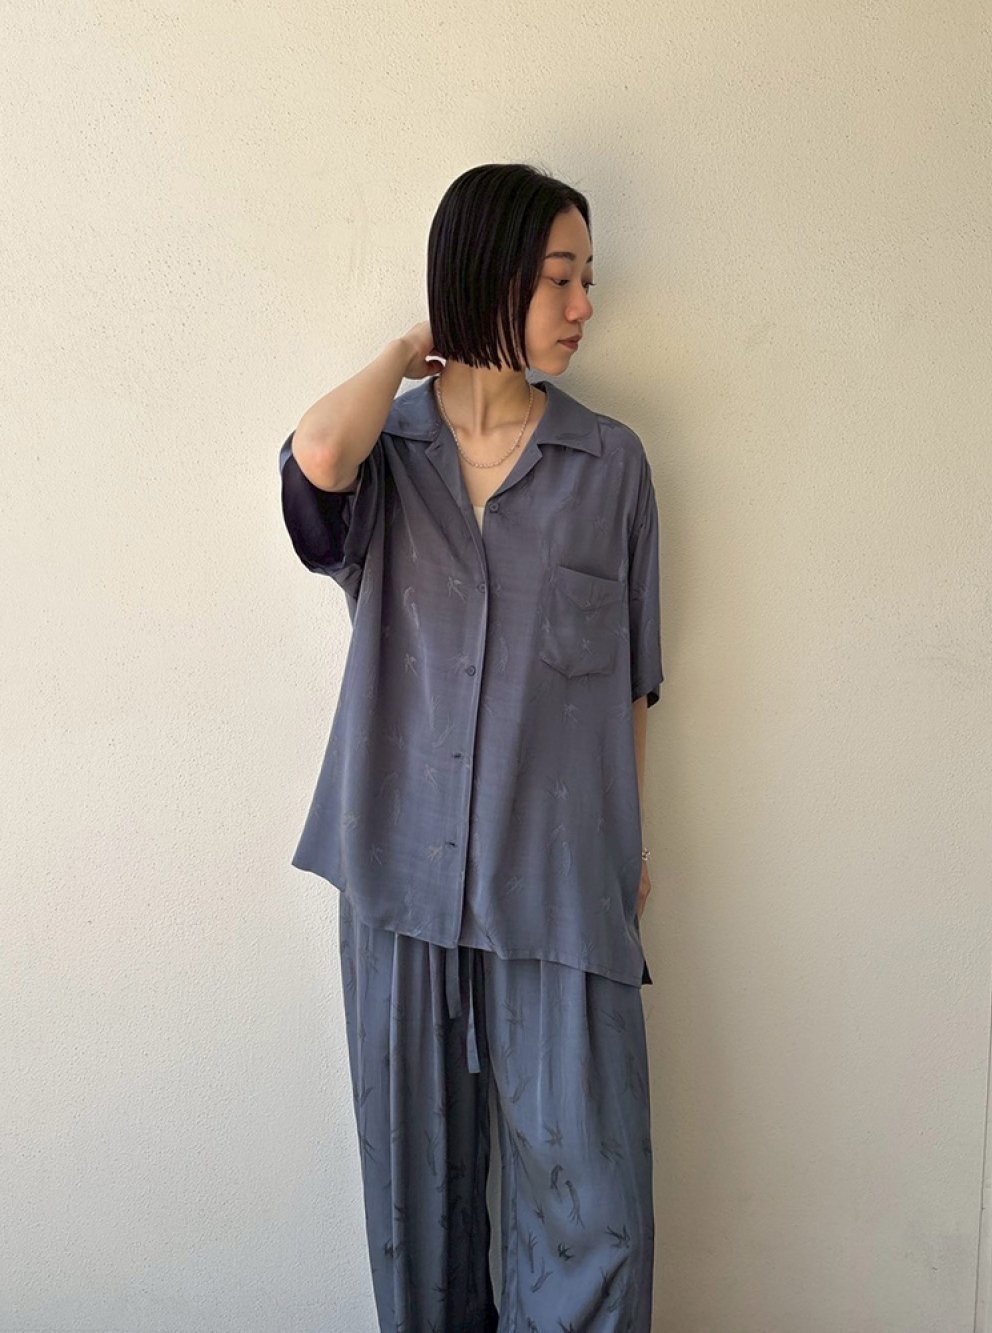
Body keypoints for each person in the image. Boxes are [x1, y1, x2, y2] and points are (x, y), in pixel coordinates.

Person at [278, 162, 664, 1331]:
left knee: (595, 1212)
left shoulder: (611, 467)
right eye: (560, 278)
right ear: (489, 277)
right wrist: (410, 347)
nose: (584, 305)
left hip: (558, 883)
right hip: (398, 877)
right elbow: (315, 461)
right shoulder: (388, 458)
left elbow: (632, 684)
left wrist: (628, 846)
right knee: (418, 1206)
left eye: (587, 279)